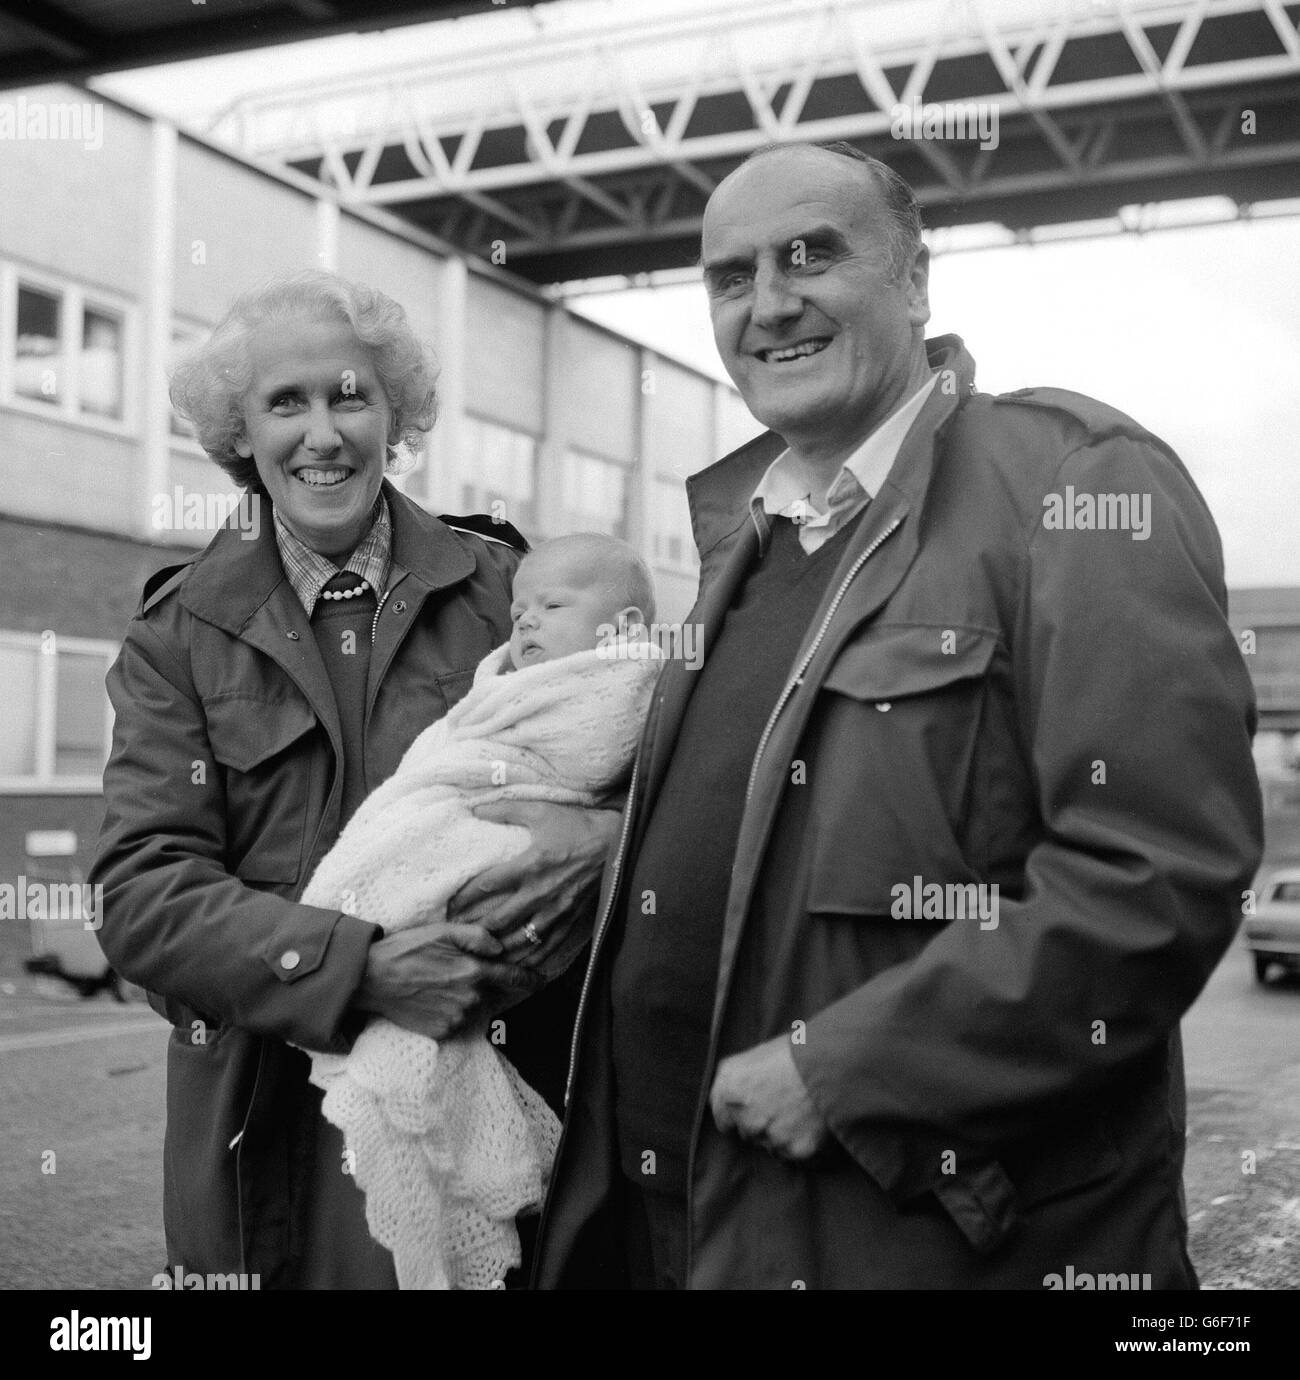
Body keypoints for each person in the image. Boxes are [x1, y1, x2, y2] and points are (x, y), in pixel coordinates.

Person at [532, 141, 1264, 1290]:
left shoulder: (1071, 483)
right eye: (732, 276)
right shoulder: (742, 546)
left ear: (915, 284)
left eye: (811, 256)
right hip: (668, 1229)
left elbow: (1156, 871)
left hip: (921, 1243)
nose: (769, 303)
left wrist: (848, 1071)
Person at [90, 270, 617, 1289]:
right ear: (239, 431)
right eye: (285, 403)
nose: (321, 434)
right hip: (264, 1143)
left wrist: (605, 840)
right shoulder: (176, 636)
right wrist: (355, 969)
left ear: (395, 414)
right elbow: (141, 897)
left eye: (349, 396)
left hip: (495, 1113)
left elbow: (651, 755)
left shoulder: (515, 596)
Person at [299, 534, 660, 1289]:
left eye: (551, 608)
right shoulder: (188, 618)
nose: (524, 623)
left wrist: (609, 831)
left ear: (624, 626)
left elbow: (610, 754)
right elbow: (450, 752)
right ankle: (355, 924)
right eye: (520, 610)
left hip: (529, 974)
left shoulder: (629, 680)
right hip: (332, 976)